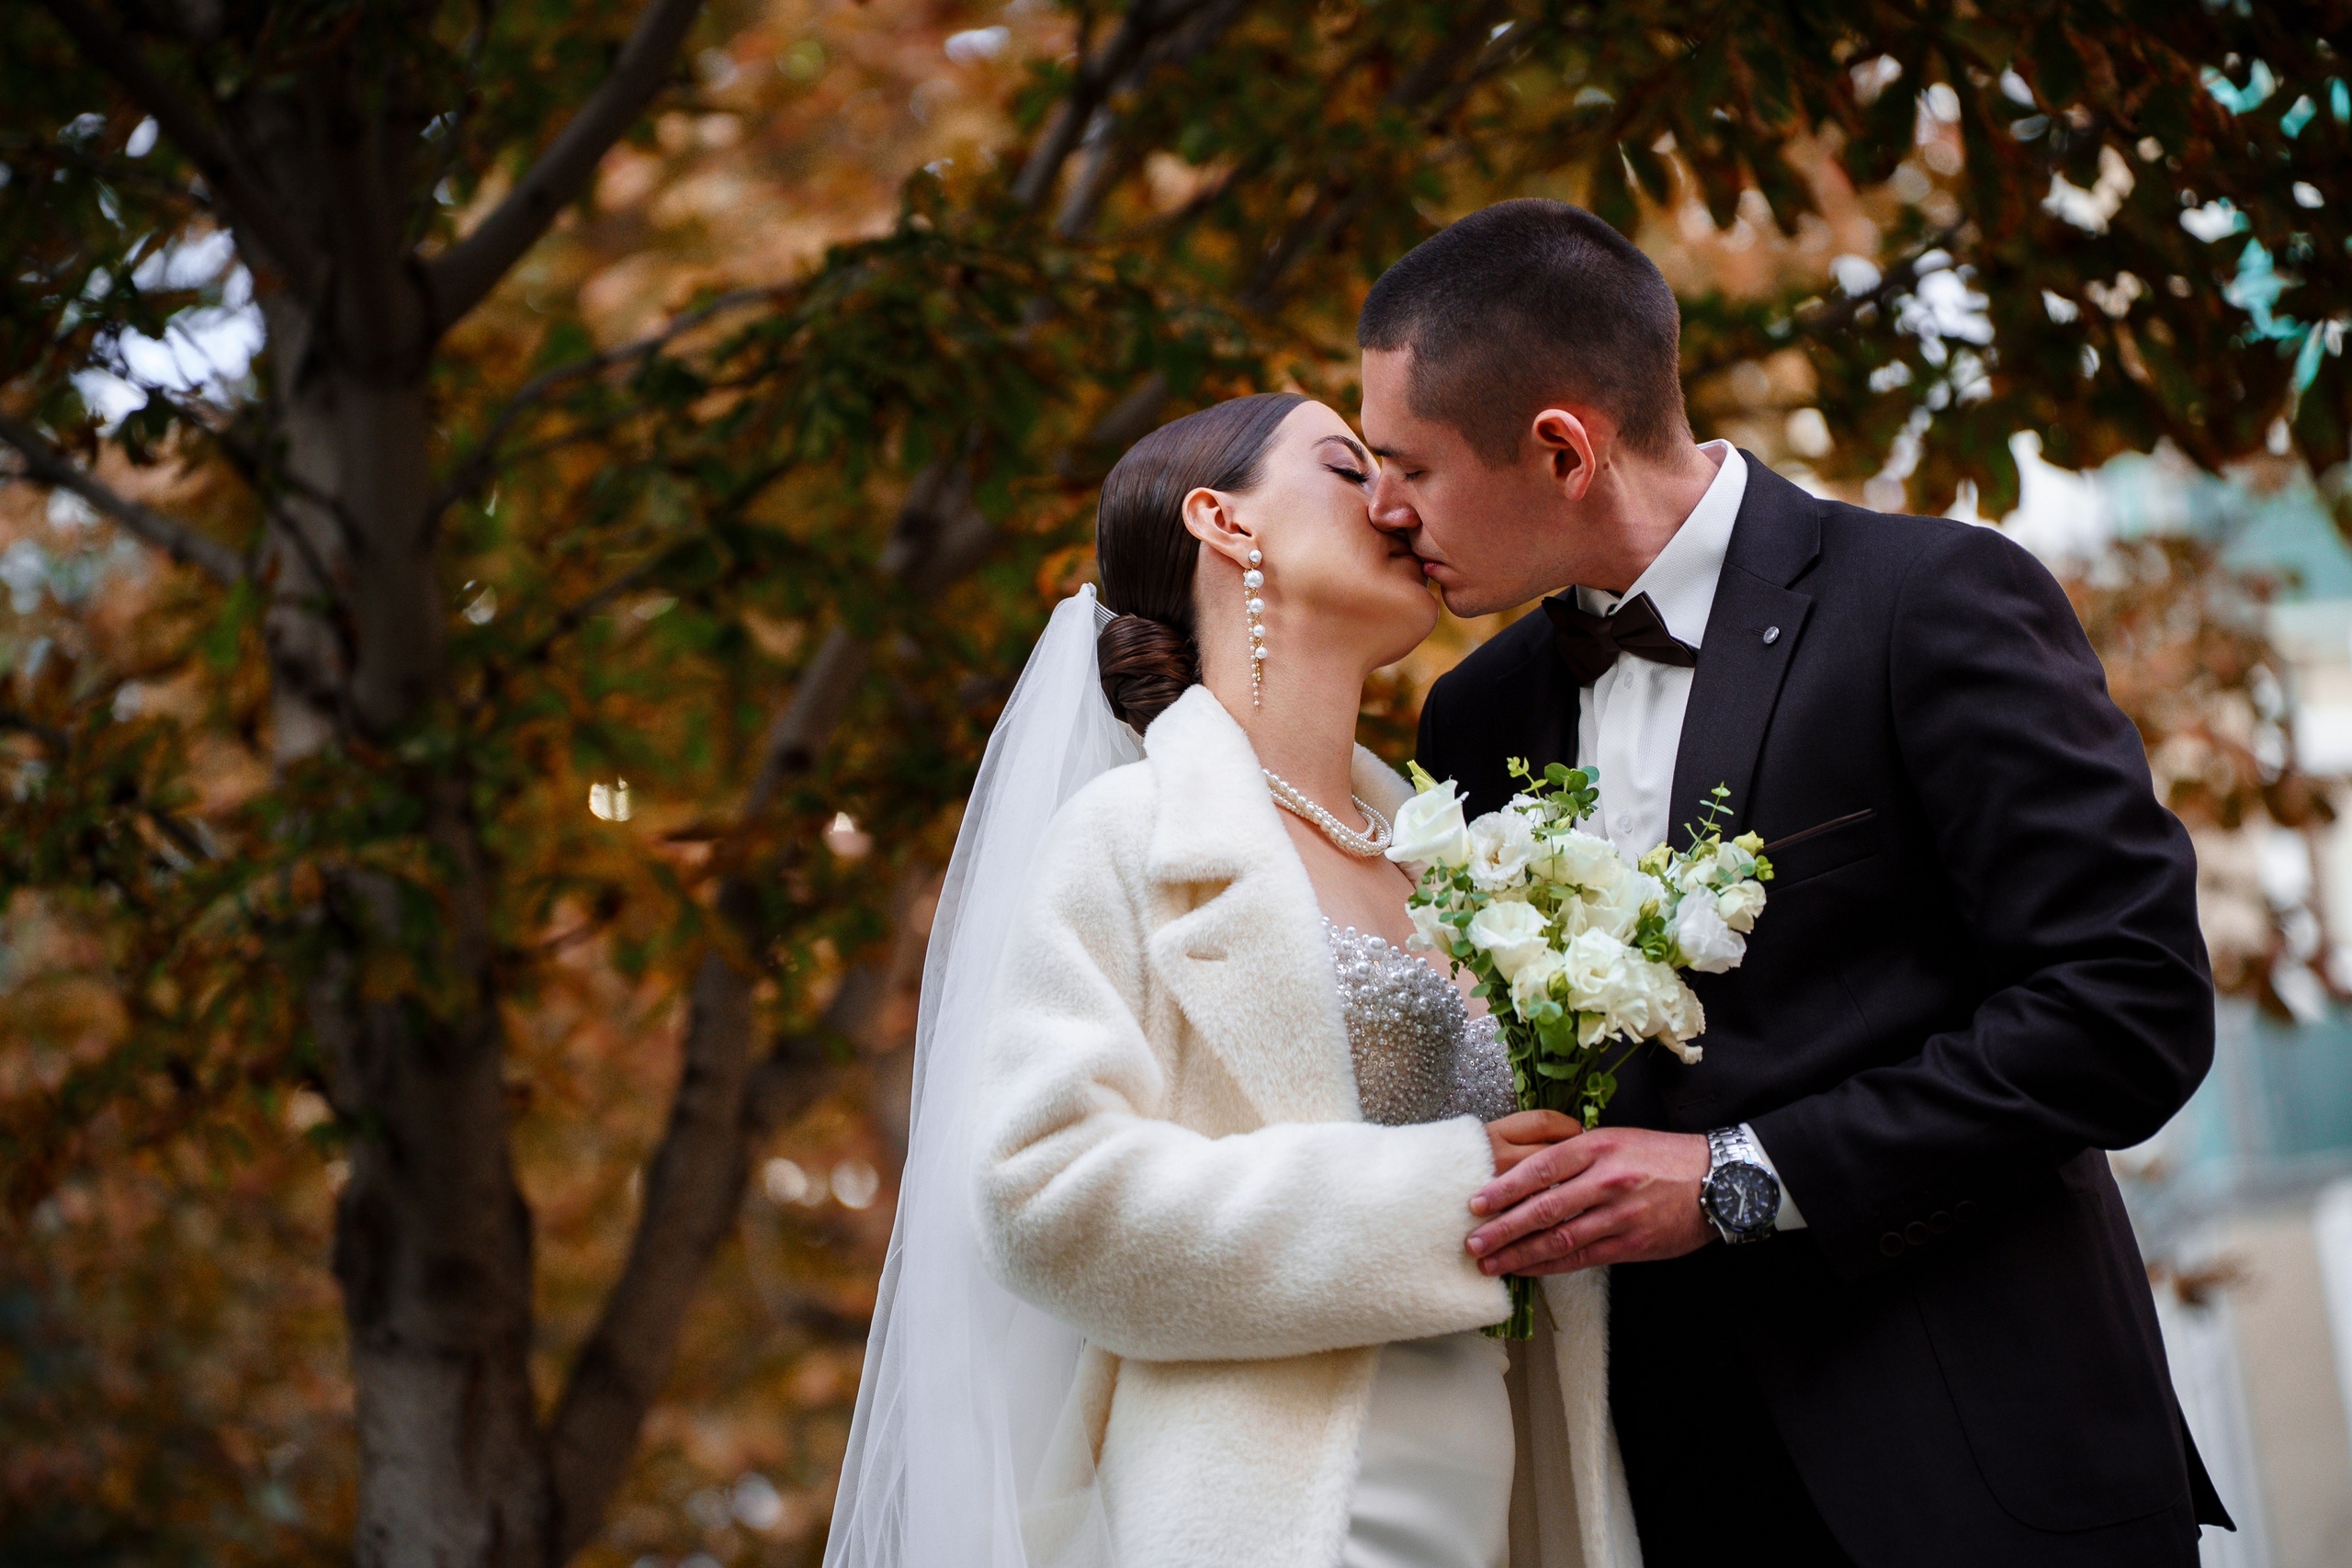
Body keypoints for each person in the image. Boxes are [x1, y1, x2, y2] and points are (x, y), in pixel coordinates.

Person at [1363, 198, 2234, 1567]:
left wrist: (1736, 1180)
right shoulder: (1471, 719)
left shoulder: (1931, 598)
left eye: (1406, 464)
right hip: (1654, 1489)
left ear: (1559, 448)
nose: (1383, 511)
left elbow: (2128, 1007)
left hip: (1982, 1470)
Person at [824, 391, 1635, 1568]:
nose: (1397, 504)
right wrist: (1445, 1201)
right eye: (1346, 467)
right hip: (1268, 1509)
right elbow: (1042, 1197)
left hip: (1498, 1492)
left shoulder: (1445, 854)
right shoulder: (1134, 834)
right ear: (1224, 521)